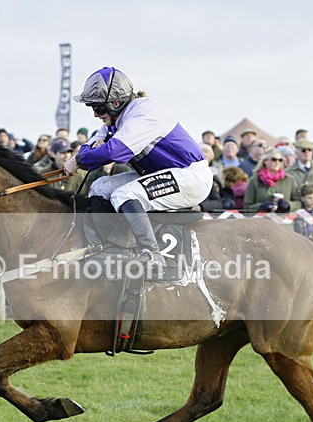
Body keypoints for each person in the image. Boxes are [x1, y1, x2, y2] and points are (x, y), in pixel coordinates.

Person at [65, 67, 212, 271]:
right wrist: (82, 155)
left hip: (190, 176)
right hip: (161, 174)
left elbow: (115, 152)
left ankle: (152, 254)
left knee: (125, 194)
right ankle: (114, 247)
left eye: (97, 108)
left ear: (115, 103)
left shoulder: (144, 113)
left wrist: (80, 159)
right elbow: (91, 144)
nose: (95, 114)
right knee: (100, 187)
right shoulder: (115, 119)